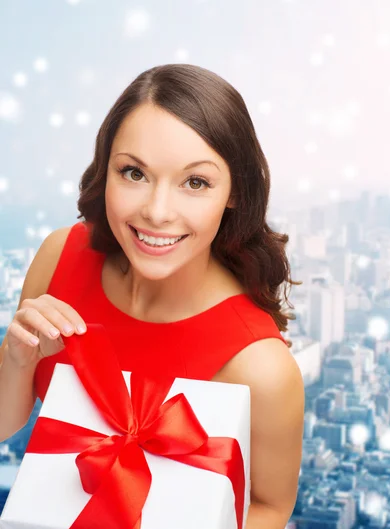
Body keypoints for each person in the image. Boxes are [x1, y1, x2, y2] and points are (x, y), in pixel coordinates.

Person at [0, 64, 305, 528]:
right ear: (106, 171)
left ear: (235, 193)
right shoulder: (61, 255)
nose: (157, 212)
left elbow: (269, 506)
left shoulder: (259, 366)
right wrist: (16, 358)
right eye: (134, 172)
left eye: (195, 182)